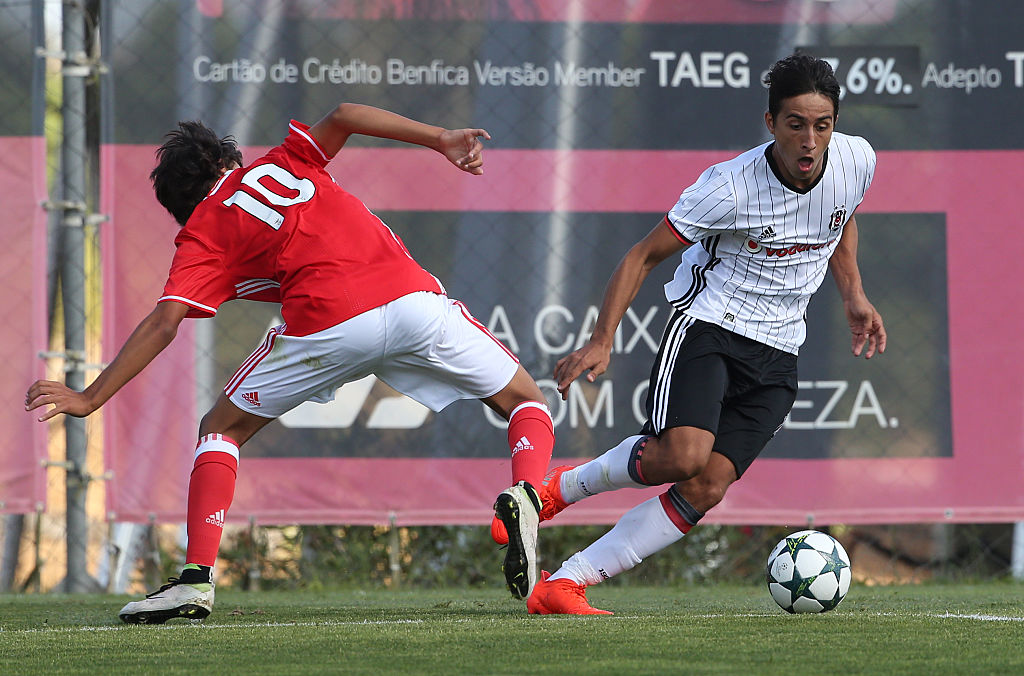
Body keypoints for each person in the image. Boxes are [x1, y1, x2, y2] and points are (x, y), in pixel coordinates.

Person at [25, 103, 551, 623]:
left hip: (329, 321)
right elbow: (345, 113)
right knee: (526, 400)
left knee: (219, 429)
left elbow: (165, 323)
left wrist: (91, 396)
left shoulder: (203, 231)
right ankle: (527, 491)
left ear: (181, 205)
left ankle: (195, 581)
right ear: (229, 159)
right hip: (413, 299)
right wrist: (440, 138)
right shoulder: (284, 160)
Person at [522, 54, 886, 614]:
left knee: (707, 486)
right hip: (711, 326)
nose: (810, 140)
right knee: (682, 457)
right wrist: (602, 338)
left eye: (822, 125)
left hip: (782, 348)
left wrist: (854, 292)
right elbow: (642, 256)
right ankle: (558, 490)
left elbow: (842, 216)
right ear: (771, 123)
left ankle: (564, 583)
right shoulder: (730, 186)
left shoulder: (857, 160)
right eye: (795, 124)